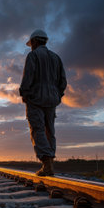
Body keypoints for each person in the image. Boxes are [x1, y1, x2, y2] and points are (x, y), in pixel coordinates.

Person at [19, 29, 67, 176]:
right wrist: (57, 95)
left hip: (35, 99)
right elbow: (63, 81)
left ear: (34, 42)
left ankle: (46, 163)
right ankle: (50, 162)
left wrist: (24, 93)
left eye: (31, 43)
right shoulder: (56, 57)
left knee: (38, 129)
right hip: (52, 100)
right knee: (49, 130)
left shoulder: (33, 55)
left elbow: (28, 77)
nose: (31, 46)